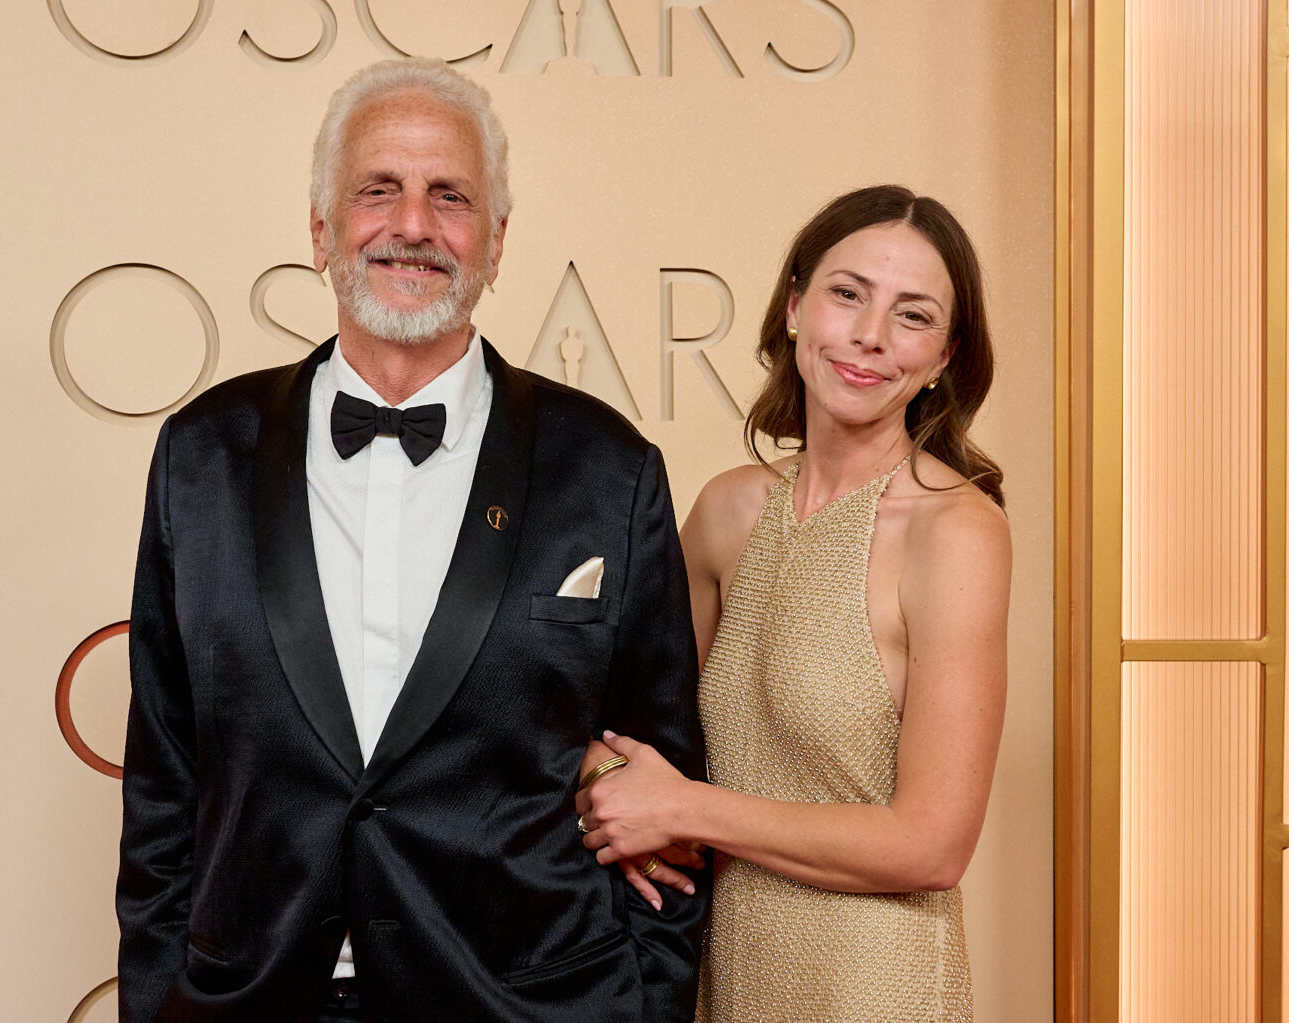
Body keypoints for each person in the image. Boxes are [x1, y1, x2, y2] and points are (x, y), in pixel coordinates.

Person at [116, 57, 707, 1023]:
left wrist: (645, 1006)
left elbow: (668, 783)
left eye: (451, 196)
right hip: (254, 1000)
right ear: (320, 228)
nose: (414, 225)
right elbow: (163, 778)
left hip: (525, 1005)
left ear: (497, 240)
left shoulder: (608, 466)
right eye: (378, 189)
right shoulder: (202, 453)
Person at [576, 185, 1010, 1022]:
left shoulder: (957, 531)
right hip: (719, 969)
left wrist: (686, 808)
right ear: (794, 306)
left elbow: (931, 844)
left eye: (913, 315)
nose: (871, 334)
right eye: (848, 293)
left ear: (945, 356)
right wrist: (598, 770)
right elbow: (628, 720)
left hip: (873, 986)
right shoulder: (726, 511)